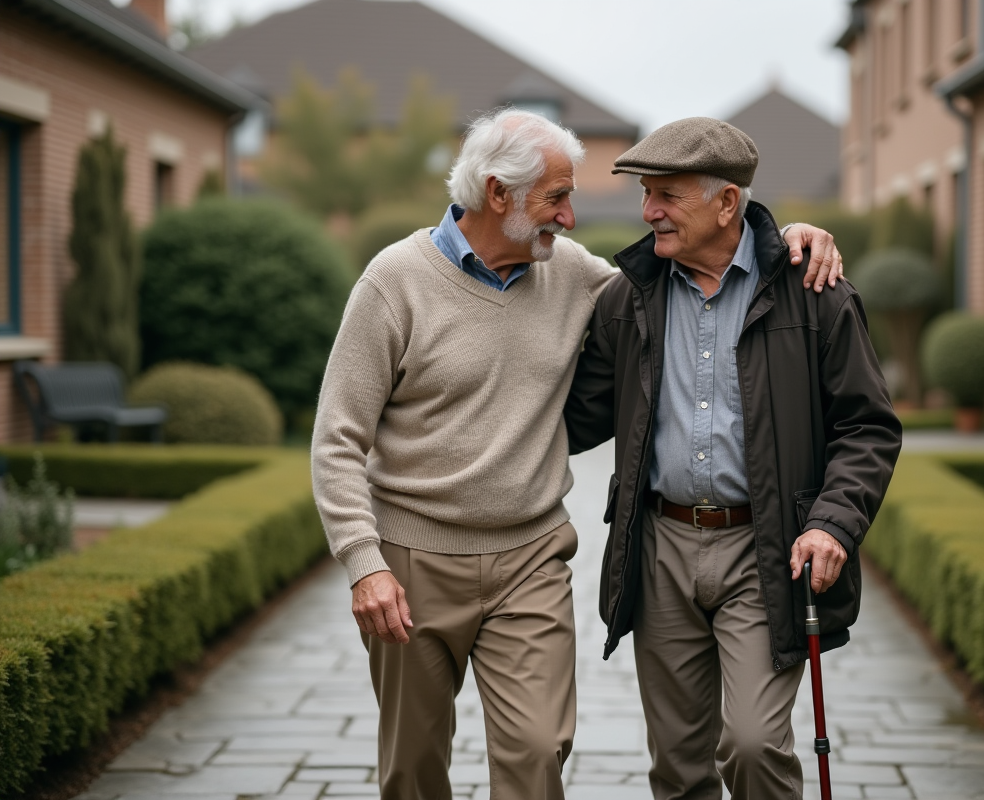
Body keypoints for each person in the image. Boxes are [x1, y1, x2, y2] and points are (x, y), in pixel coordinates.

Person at [310, 108, 844, 800]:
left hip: (530, 557)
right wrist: (364, 564)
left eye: (570, 200)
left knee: (538, 753)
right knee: (412, 767)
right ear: (499, 195)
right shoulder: (394, 282)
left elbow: (701, 263)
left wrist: (788, 242)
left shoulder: (573, 275)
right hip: (414, 561)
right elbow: (337, 438)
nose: (569, 218)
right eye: (557, 198)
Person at [564, 117, 902, 800]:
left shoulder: (814, 290)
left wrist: (833, 523)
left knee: (752, 745)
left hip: (767, 546)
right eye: (646, 193)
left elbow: (867, 426)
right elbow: (571, 419)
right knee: (678, 764)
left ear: (727, 204)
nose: (648, 210)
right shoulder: (628, 297)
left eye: (667, 195)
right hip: (660, 546)